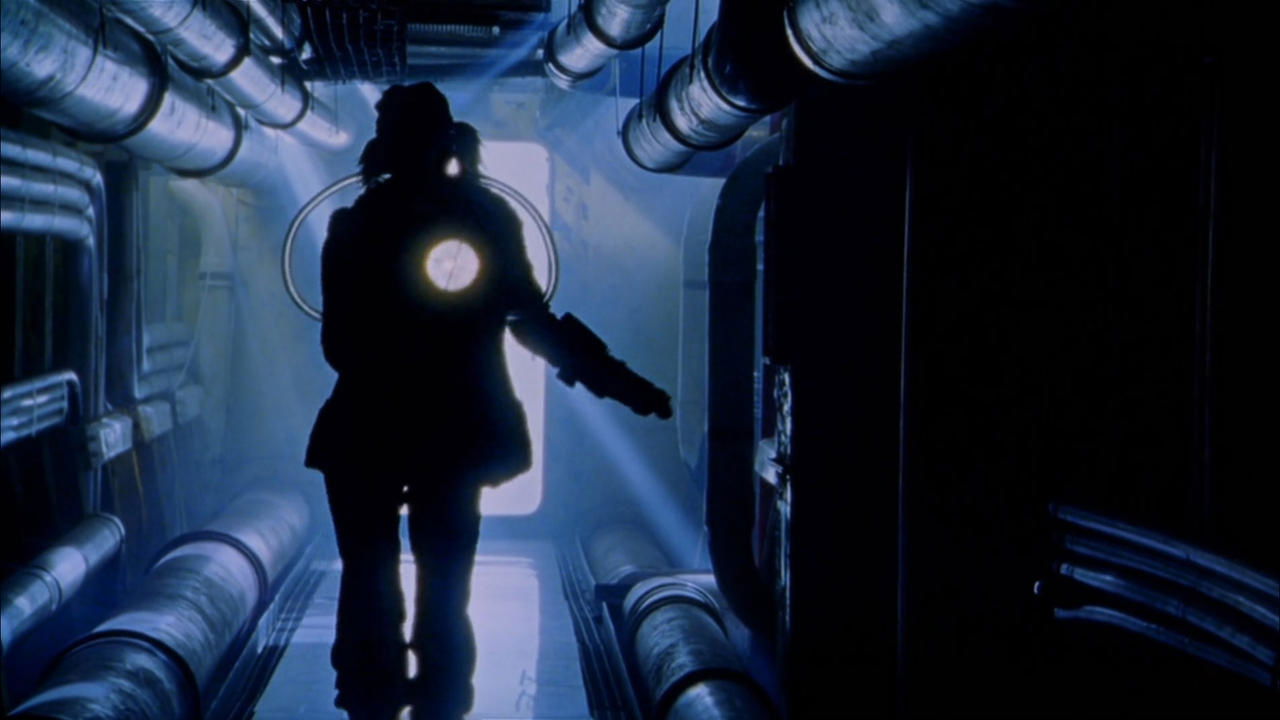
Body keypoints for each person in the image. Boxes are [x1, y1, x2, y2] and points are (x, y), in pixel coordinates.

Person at [305, 82, 671, 720]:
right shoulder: (485, 219)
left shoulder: (355, 223)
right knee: (445, 581)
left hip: (366, 429)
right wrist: (616, 381)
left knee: (368, 578)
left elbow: (338, 345)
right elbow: (531, 320)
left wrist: (393, 356)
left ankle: (372, 697)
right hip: (456, 427)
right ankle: (440, 697)